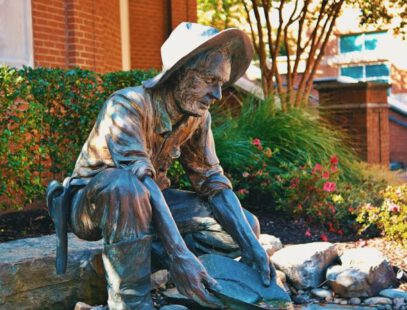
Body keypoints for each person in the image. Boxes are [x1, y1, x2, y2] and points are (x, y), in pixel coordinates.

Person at [48, 22, 272, 310]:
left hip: (147, 202)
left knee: (244, 226)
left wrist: (251, 246)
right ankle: (131, 300)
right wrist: (179, 252)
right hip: (92, 205)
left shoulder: (197, 116)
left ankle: (140, 256)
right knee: (125, 186)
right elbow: (138, 180)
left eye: (221, 83)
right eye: (210, 80)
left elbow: (213, 182)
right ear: (179, 73)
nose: (218, 95)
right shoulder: (128, 104)